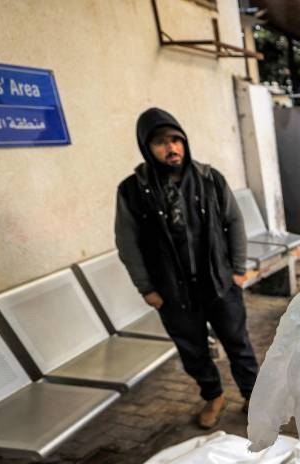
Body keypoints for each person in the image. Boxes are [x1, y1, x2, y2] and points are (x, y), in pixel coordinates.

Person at [115, 107, 258, 429]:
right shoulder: (132, 190)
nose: (171, 148)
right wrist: (147, 288)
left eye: (176, 140)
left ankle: (254, 396)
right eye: (161, 143)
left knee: (239, 344)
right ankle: (214, 396)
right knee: (193, 351)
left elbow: (234, 222)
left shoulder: (209, 178)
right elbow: (127, 243)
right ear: (146, 147)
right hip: (172, 292)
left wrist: (236, 270)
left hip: (219, 284)